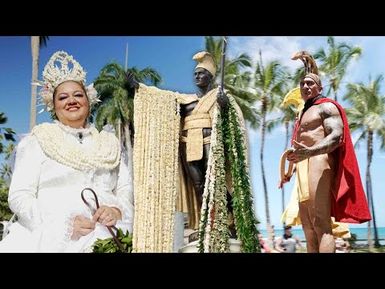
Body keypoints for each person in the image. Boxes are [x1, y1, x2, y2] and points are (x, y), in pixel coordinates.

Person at [0, 51, 134, 252]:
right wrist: (63, 225)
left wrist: (116, 210)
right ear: (54, 106)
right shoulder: (37, 141)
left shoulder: (110, 143)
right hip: (50, 238)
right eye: (63, 97)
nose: (71, 100)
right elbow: (20, 196)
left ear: (89, 102)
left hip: (113, 231)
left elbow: (124, 189)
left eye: (78, 95)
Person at [129, 51, 260, 252]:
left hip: (210, 142)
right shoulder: (185, 99)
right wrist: (140, 88)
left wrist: (224, 107)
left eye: (201, 73)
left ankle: (230, 218)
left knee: (215, 182)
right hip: (188, 145)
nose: (197, 76)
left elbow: (234, 122)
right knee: (199, 186)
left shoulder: (221, 96)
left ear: (211, 76)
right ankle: (205, 222)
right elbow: (161, 100)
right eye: (196, 74)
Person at [279, 51, 371, 253]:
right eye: (303, 83)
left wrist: (310, 151)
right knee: (308, 227)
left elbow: (336, 137)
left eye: (311, 83)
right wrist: (288, 172)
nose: (305, 86)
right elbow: (299, 146)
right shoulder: (303, 112)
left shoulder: (326, 107)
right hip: (303, 165)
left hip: (319, 160)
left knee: (321, 222)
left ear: (320, 87)